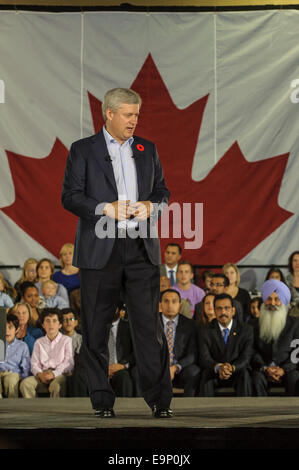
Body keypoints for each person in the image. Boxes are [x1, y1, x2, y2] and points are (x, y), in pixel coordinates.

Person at [61, 87, 172, 418]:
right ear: (108, 114)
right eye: (128, 114)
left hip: (141, 250)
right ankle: (102, 400)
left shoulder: (147, 149)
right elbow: (70, 196)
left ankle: (159, 401)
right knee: (95, 329)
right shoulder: (83, 150)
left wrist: (151, 205)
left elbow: (163, 191)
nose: (134, 121)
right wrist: (104, 208)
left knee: (149, 330)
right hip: (100, 252)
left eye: (137, 114)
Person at [198, 293, 253, 397]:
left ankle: (245, 411)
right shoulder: (205, 330)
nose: (223, 312)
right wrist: (219, 367)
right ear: (214, 311)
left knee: (245, 374)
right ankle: (205, 411)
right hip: (214, 371)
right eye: (219, 309)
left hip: (236, 370)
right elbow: (204, 357)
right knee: (205, 374)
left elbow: (246, 356)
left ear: (233, 310)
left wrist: (231, 368)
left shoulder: (245, 329)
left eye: (226, 308)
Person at [251, 279, 299, 396]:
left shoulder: (295, 324)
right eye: (269, 299)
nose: (272, 303)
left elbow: (297, 352)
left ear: (283, 302)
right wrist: (264, 368)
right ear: (264, 301)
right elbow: (251, 350)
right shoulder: (253, 325)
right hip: (262, 369)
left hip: (287, 370)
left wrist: (284, 370)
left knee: (294, 377)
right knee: (255, 378)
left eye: (277, 299)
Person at [20, 308, 74, 398]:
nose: (51, 324)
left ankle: (55, 410)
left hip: (60, 374)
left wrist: (54, 374)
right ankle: (32, 410)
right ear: (43, 325)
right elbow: (34, 363)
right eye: (47, 321)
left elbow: (68, 363)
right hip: (42, 374)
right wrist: (40, 374)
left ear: (60, 325)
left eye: (54, 321)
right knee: (25, 384)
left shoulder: (66, 340)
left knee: (56, 386)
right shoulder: (39, 342)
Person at [160, 289, 200, 396]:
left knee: (194, 371)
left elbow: (192, 354)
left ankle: (188, 408)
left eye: (174, 301)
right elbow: (147, 351)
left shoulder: (190, 325)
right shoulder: (151, 324)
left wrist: (175, 367)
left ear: (180, 305)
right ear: (160, 305)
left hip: (180, 369)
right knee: (139, 371)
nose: (170, 305)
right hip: (158, 368)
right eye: (166, 301)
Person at [0, 313, 31, 398]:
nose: (6, 331)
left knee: (11, 380)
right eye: (3, 327)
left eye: (10, 327)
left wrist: (24, 378)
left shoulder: (22, 346)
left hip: (13, 373)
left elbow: (26, 366)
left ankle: (12, 407)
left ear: (16, 329)